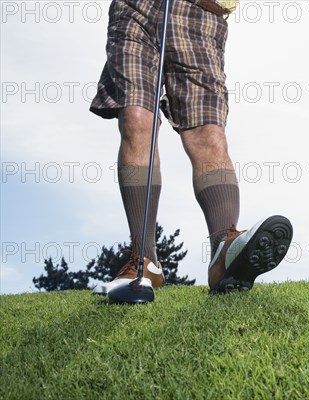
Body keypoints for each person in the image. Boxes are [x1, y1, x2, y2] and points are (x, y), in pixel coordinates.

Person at [89, 0, 293, 295]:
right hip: (137, 8)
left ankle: (224, 249)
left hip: (202, 12)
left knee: (208, 134)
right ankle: (143, 260)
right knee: (136, 119)